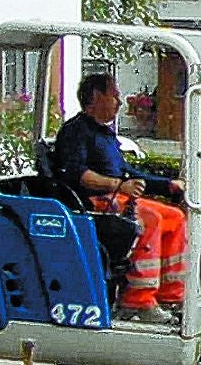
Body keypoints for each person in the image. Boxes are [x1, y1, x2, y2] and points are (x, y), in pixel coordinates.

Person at [52, 71, 189, 319]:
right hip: (93, 203)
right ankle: (137, 299)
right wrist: (118, 185)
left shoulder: (104, 134)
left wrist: (167, 186)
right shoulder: (76, 132)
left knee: (175, 217)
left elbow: (127, 172)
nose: (119, 101)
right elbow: (78, 174)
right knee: (151, 219)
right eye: (114, 95)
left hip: (115, 198)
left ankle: (170, 296)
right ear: (96, 96)